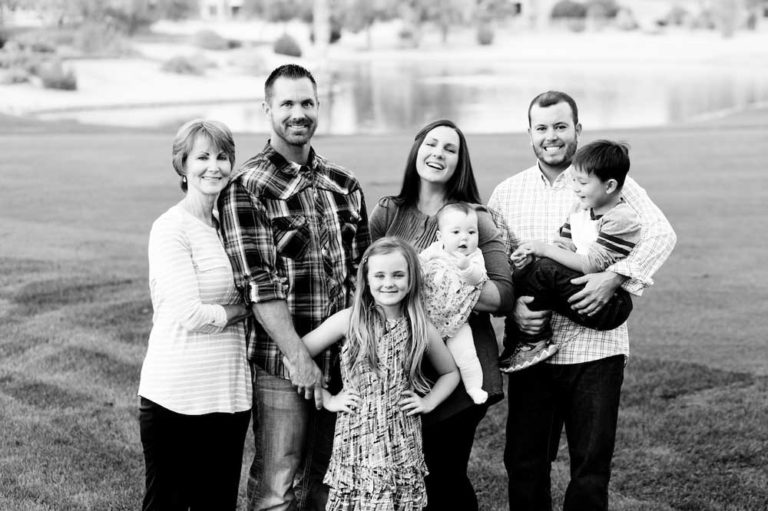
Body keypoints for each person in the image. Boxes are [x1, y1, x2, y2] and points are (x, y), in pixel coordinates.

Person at [487, 91, 677, 511]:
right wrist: (512, 307)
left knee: (590, 469)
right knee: (524, 463)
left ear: (577, 128)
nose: (551, 136)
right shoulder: (506, 193)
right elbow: (497, 267)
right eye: (541, 128)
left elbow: (662, 234)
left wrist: (614, 277)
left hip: (596, 353)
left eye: (560, 126)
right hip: (532, 353)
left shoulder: (612, 183)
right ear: (530, 133)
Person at [217, 64, 371, 511]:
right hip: (282, 365)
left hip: (346, 358)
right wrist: (299, 360)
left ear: (318, 107)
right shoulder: (247, 187)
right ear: (267, 109)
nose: (297, 113)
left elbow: (364, 273)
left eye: (306, 102)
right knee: (276, 486)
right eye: (286, 103)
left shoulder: (344, 184)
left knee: (331, 480)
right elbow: (257, 285)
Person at [368, 119, 514, 510]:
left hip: (461, 366)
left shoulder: (474, 218)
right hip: (404, 366)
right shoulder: (388, 213)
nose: (438, 153)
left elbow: (503, 296)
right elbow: (370, 284)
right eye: (431, 144)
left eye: (450, 149)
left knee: (445, 477)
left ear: (459, 163)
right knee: (407, 477)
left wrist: (449, 280)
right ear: (417, 149)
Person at [295, 237, 460, 510]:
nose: (389, 283)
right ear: (367, 279)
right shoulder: (350, 320)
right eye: (380, 275)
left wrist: (428, 401)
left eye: (398, 275)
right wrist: (327, 398)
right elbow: (297, 356)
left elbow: (450, 372)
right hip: (357, 433)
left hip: (401, 434)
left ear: (411, 279)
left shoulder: (419, 325)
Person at [138, 119, 252, 511]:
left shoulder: (231, 226)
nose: (214, 166)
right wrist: (247, 308)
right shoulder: (171, 228)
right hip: (175, 397)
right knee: (166, 503)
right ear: (182, 165)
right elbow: (190, 313)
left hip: (229, 394)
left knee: (217, 505)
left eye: (222, 156)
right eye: (202, 157)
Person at [500, 139, 641, 373]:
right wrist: (530, 258)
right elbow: (562, 246)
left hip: (609, 305)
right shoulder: (580, 209)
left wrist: (543, 250)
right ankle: (521, 341)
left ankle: (535, 342)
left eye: (582, 182)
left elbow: (591, 265)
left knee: (544, 267)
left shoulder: (621, 218)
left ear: (609, 186)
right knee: (530, 270)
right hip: (582, 291)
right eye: (573, 180)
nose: (575, 188)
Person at [419, 201, 489, 404]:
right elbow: (419, 266)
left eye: (471, 232)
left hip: (457, 321)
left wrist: (466, 268)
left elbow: (477, 279)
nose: (464, 238)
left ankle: (474, 387)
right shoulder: (433, 251)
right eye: (456, 232)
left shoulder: (475, 257)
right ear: (441, 237)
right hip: (427, 319)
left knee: (467, 355)